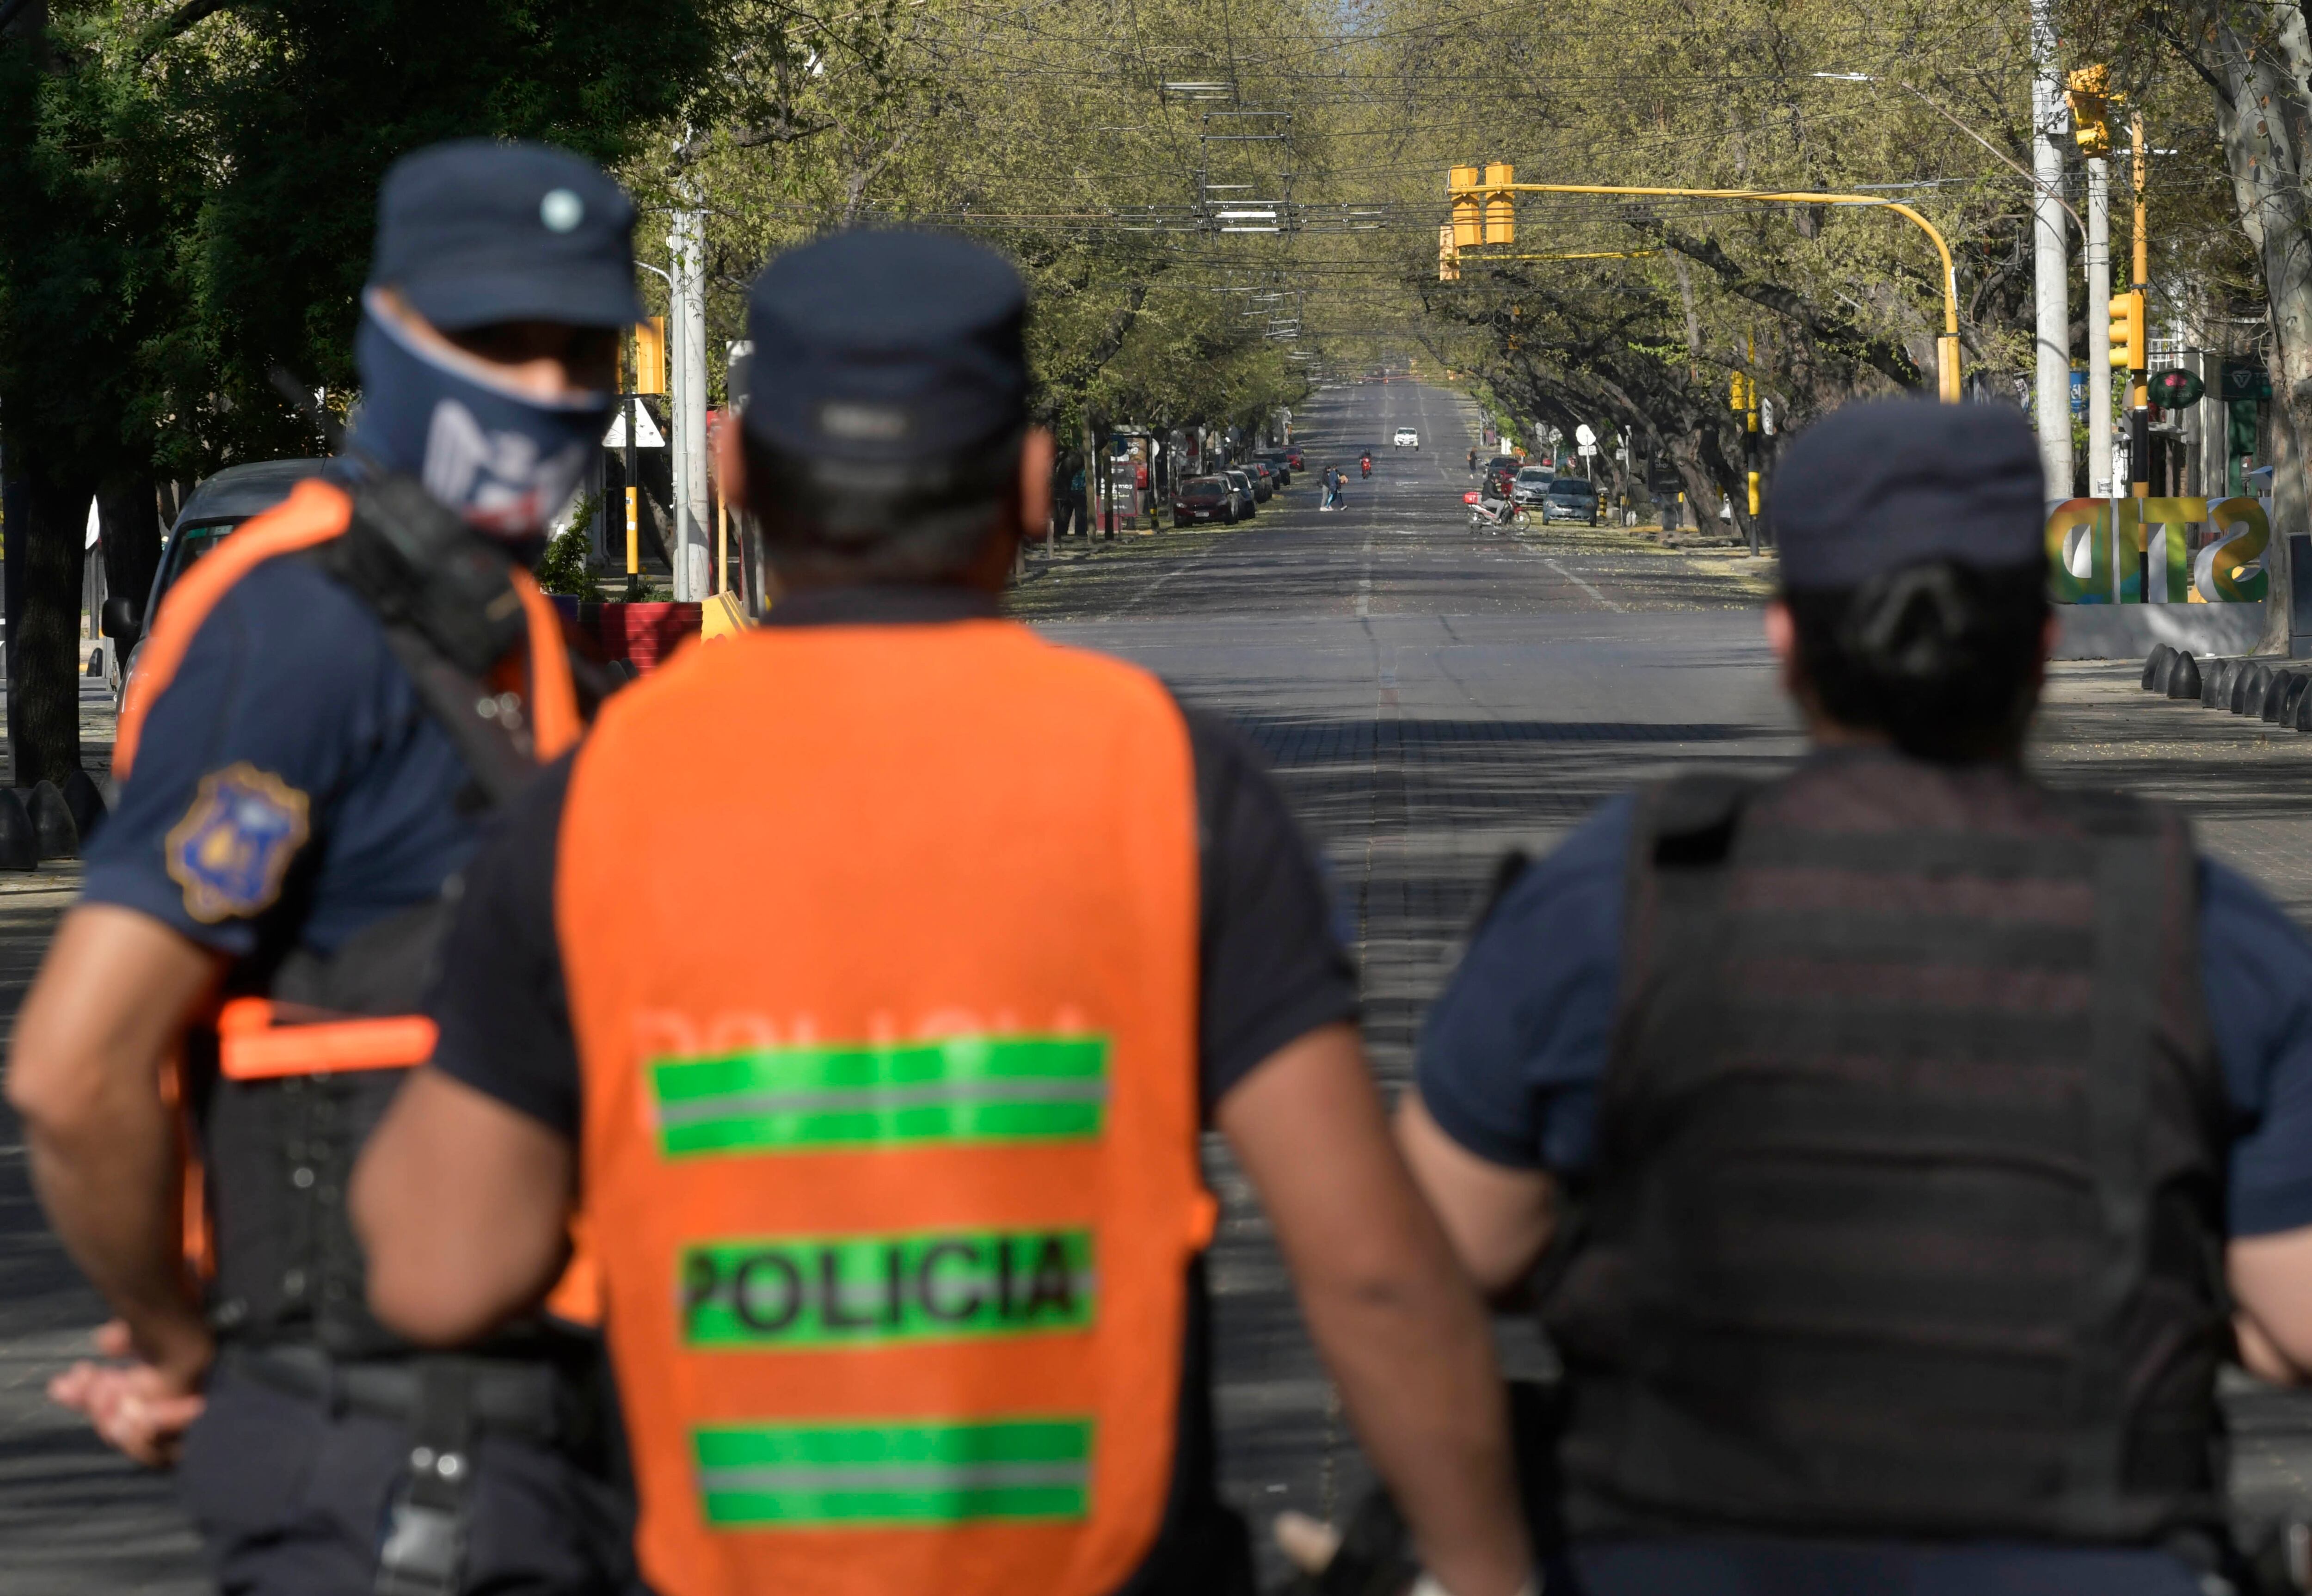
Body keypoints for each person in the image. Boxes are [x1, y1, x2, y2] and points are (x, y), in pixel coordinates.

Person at [350, 230, 1536, 1596]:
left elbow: (441, 1267)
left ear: (732, 474)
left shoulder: (598, 794)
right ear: (1033, 487)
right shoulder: (1167, 779)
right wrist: (1482, 1563)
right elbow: (1374, 1270)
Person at [1397, 398, 2312, 1595]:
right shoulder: (2200, 926)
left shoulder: (1610, 905)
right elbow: (2292, 1320)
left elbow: (1421, 1260)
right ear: (2042, 647)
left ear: (1787, 646)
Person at [8, 140, 644, 1596]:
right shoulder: (305, 629)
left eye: (582, 349)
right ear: (389, 327)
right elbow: (76, 1064)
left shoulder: (502, 632)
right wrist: (183, 1340)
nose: (546, 390)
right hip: (393, 1466)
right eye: (497, 342)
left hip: (531, 1439)